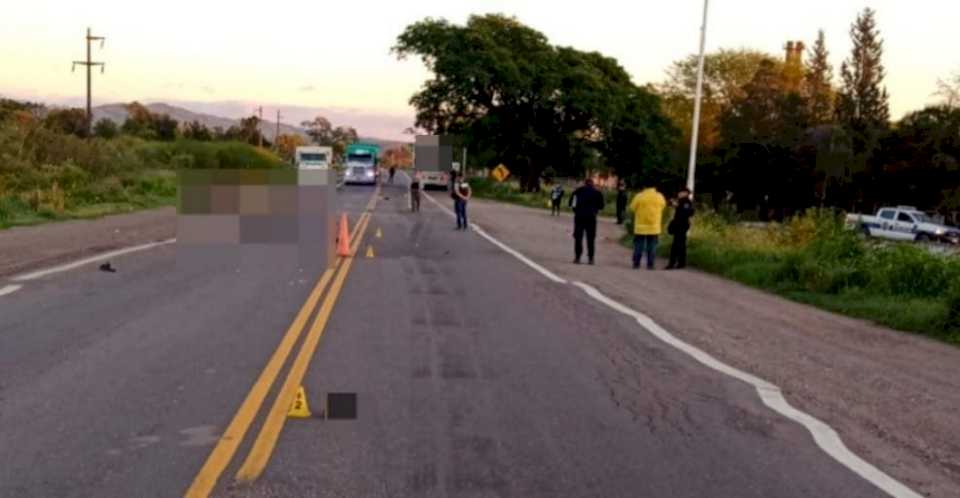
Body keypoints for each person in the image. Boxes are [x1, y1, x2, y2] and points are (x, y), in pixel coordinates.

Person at [629, 182, 667, 270]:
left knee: (639, 245)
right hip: (654, 226)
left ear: (644, 186)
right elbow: (663, 206)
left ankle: (636, 263)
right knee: (652, 246)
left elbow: (632, 208)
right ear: (655, 187)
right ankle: (650, 264)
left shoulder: (639, 196)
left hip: (640, 226)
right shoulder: (659, 196)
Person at [568, 178, 605, 264]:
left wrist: (576, 211)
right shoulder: (597, 193)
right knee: (591, 238)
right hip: (591, 218)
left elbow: (571, 204)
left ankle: (577, 257)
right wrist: (595, 210)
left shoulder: (577, 191)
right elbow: (601, 206)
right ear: (592, 184)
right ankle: (591, 258)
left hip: (579, 217)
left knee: (578, 237)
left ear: (584, 184)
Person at [666, 187, 695, 269]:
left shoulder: (686, 202)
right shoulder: (681, 201)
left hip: (681, 225)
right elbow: (669, 204)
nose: (678, 194)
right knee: (681, 244)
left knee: (677, 245)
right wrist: (674, 204)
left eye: (680, 192)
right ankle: (681, 263)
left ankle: (673, 263)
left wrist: (676, 206)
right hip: (680, 225)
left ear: (685, 193)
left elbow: (686, 213)